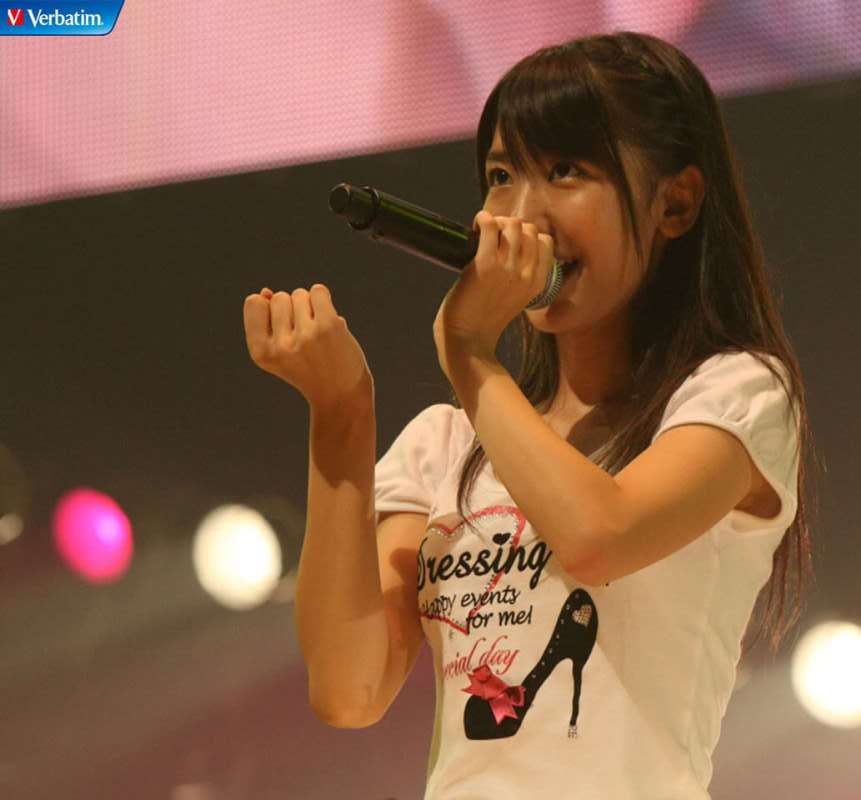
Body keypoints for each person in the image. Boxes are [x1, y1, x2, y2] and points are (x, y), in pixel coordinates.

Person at [243, 30, 816, 800]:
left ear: (675, 203)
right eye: (501, 175)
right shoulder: (444, 443)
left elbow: (598, 538)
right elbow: (349, 690)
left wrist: (468, 350)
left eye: (566, 170)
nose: (518, 217)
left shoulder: (735, 394)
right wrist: (341, 414)